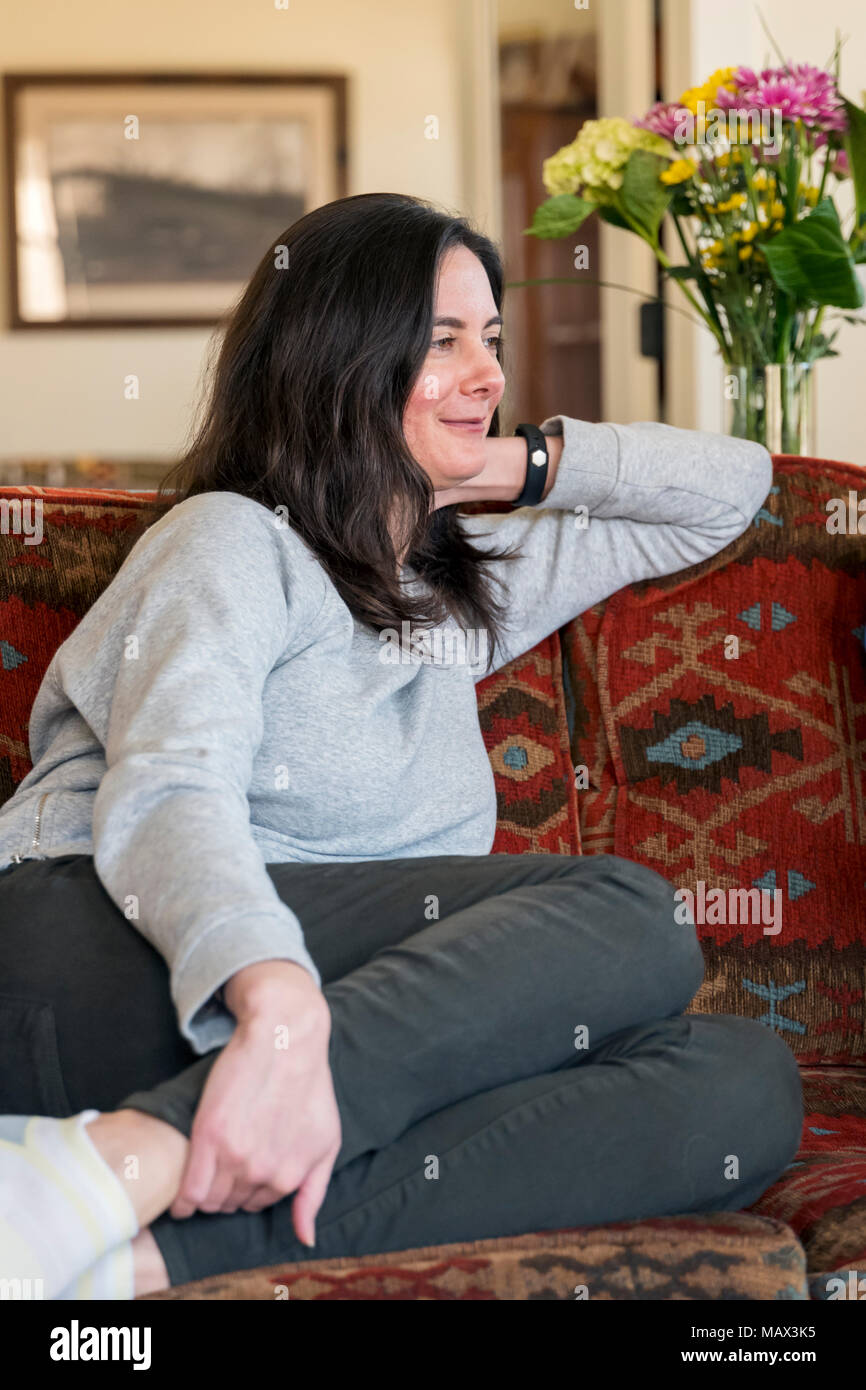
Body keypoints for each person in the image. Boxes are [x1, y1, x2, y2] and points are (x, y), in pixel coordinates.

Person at [0, 192, 803, 1301]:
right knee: (632, 919)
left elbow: (730, 493)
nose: (486, 375)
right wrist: (277, 1003)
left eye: (493, 343)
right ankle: (111, 1166)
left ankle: (125, 1248)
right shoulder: (232, 539)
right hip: (88, 952)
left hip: (328, 1020)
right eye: (441, 343)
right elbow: (170, 790)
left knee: (736, 1081)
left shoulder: (447, 598)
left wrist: (511, 468)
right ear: (340, 356)